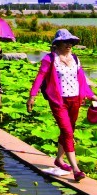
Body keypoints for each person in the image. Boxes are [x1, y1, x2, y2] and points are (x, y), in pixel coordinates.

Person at [26, 29, 92, 182]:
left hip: (75, 99)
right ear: (57, 43)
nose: (69, 45)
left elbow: (82, 79)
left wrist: (92, 96)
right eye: (65, 42)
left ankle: (59, 160)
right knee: (67, 131)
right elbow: (40, 77)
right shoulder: (50, 59)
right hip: (58, 100)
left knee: (69, 131)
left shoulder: (75, 59)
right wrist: (32, 96)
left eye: (71, 42)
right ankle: (76, 169)